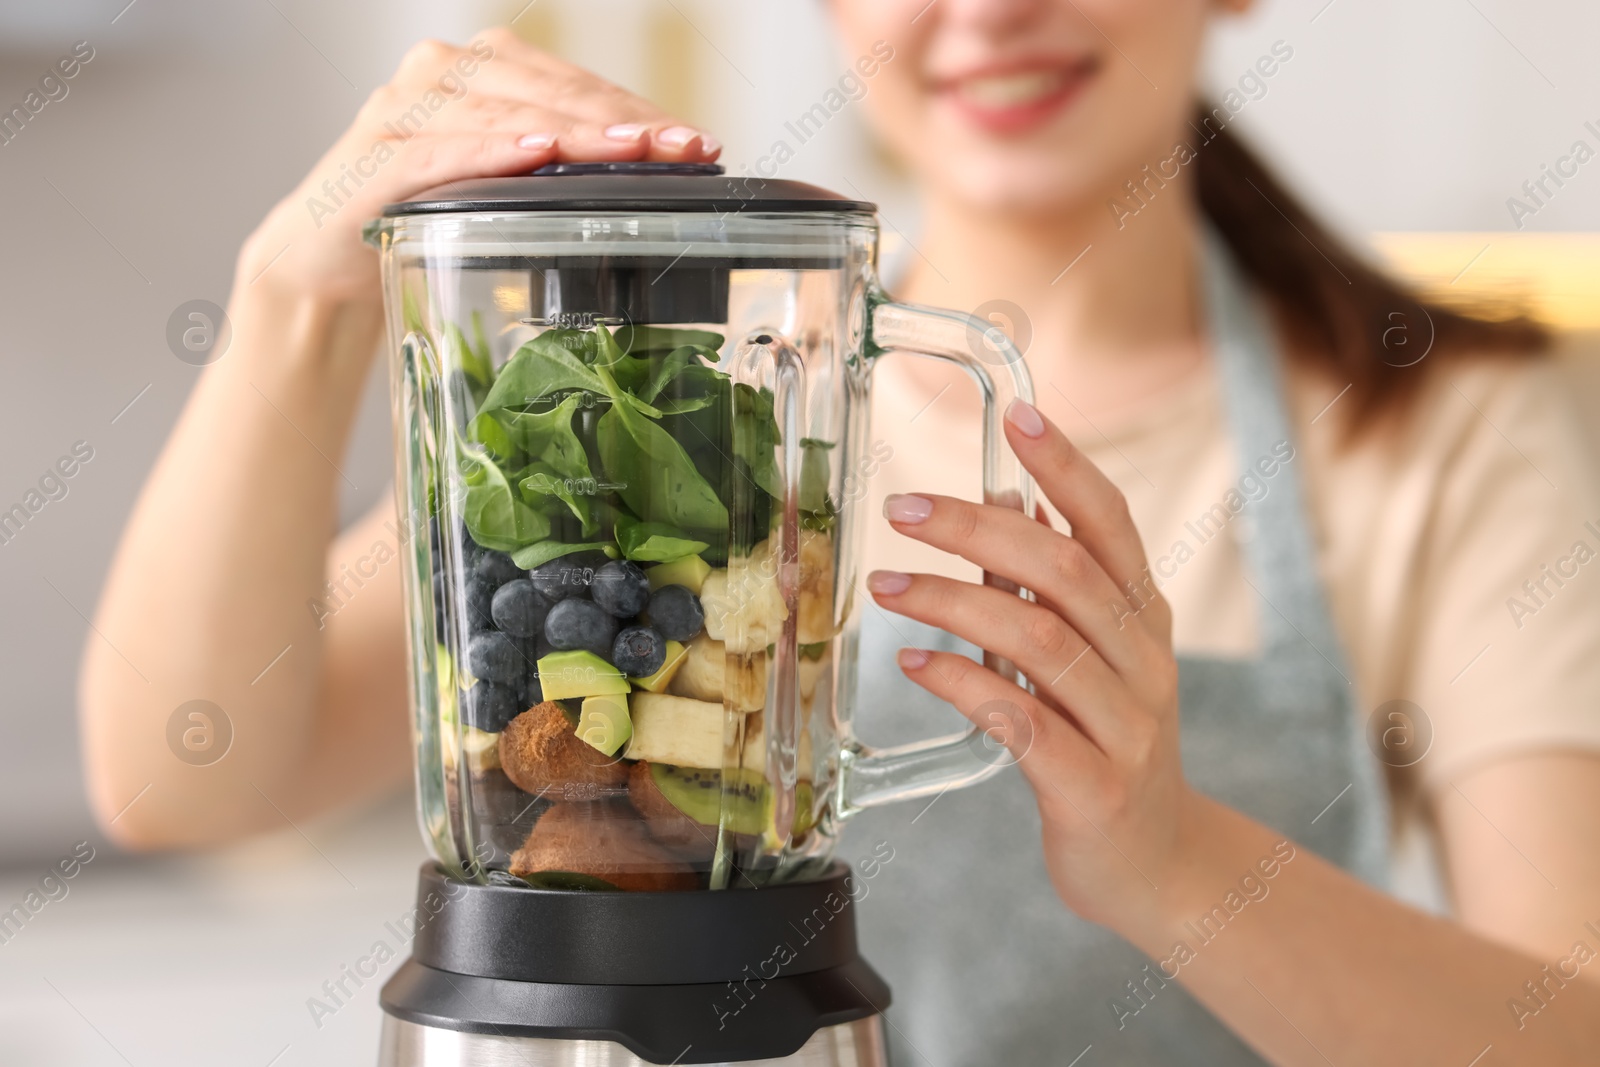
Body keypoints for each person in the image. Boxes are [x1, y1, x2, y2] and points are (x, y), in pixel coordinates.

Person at [80, 4, 1600, 1064]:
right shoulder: (695, 423)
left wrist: (1171, 859)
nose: (991, 9)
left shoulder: (1440, 419)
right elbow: (182, 771)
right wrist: (289, 297)